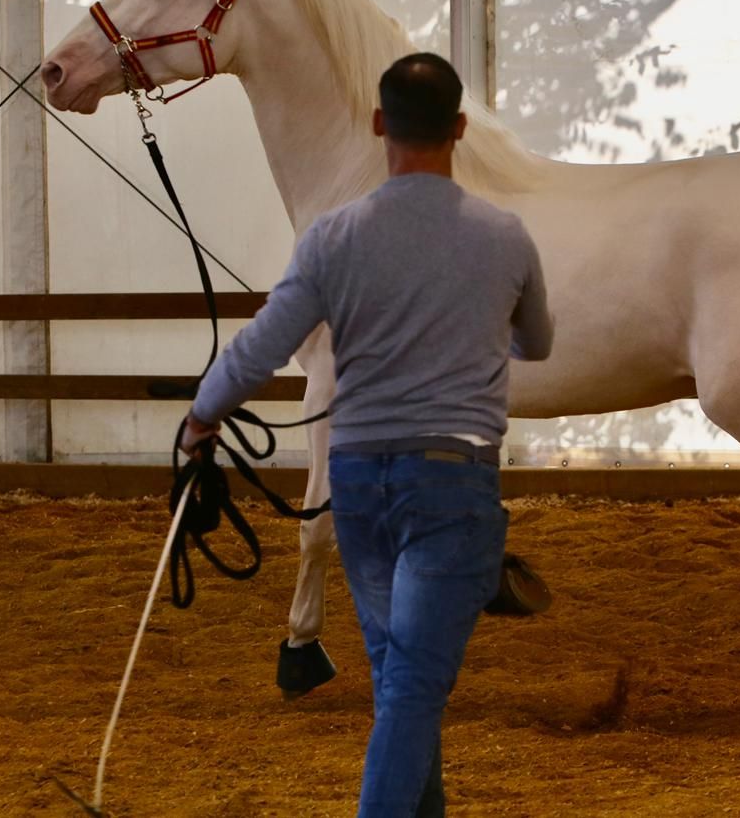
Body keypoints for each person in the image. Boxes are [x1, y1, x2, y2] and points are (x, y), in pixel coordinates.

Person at [181, 51, 554, 817]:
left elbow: (263, 343)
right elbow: (537, 343)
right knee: (413, 687)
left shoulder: (331, 238)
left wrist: (202, 415)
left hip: (358, 485)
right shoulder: (505, 236)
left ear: (380, 124)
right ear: (459, 129)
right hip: (452, 483)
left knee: (399, 679)